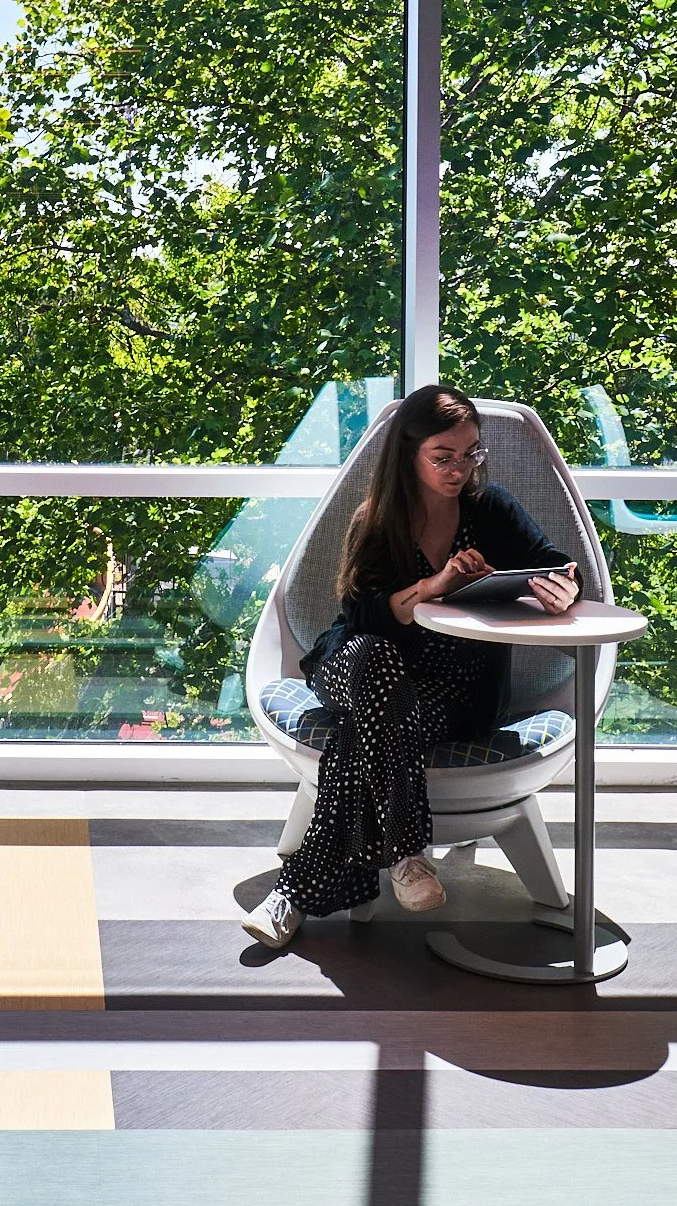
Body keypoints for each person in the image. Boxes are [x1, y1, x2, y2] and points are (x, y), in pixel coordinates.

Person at [241, 384, 577, 953]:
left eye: (472, 454)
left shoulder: (490, 510)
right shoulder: (378, 520)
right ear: (408, 454)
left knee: (360, 739)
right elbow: (367, 616)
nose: (460, 470)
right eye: (443, 457)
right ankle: (406, 850)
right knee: (378, 661)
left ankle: (293, 895)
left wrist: (562, 587)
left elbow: (555, 564)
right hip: (357, 668)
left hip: (453, 692)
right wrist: (436, 584)